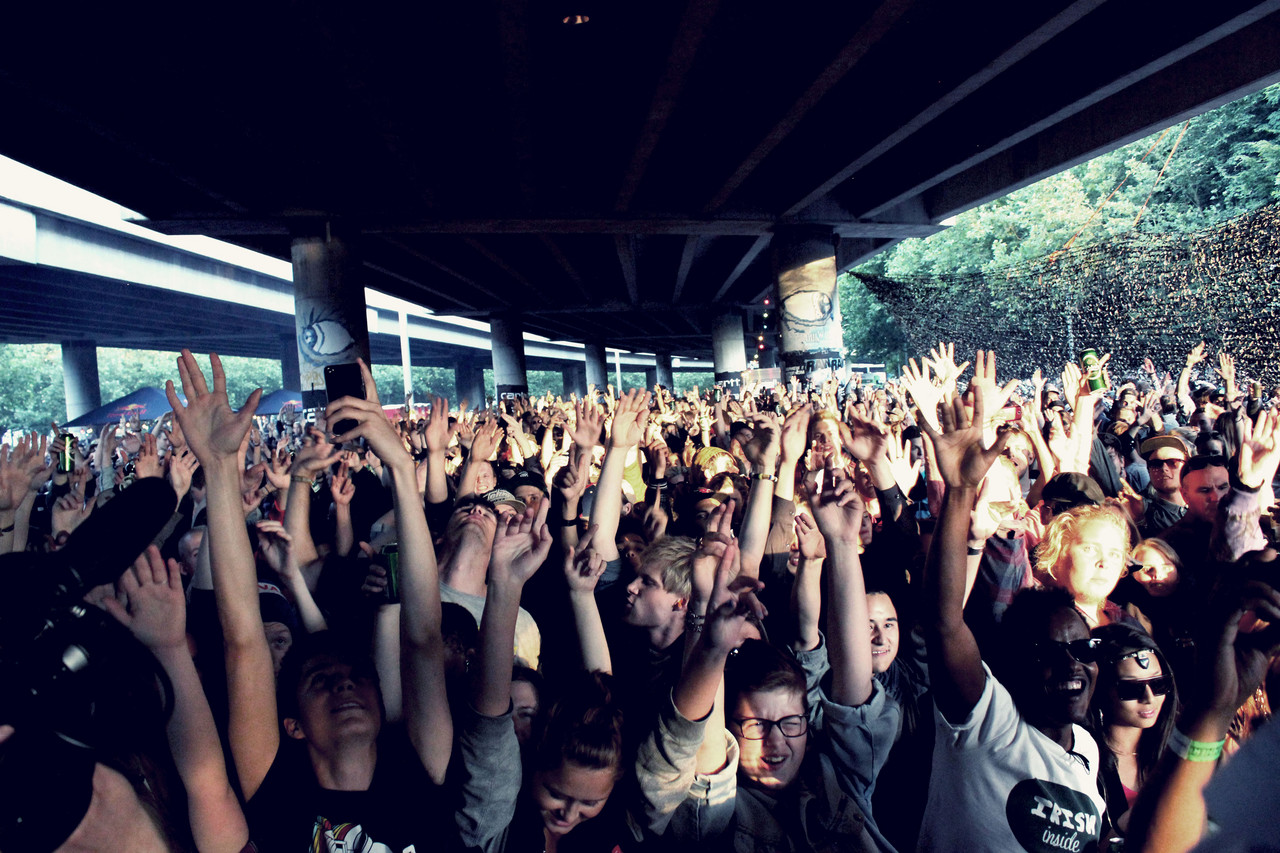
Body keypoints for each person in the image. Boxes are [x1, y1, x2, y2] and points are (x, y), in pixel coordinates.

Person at [167, 351, 458, 851]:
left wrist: (402, 466)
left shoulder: (417, 770)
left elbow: (424, 638)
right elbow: (244, 641)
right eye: (321, 681)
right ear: (292, 725)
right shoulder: (278, 795)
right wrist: (218, 468)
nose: (346, 684)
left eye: (357, 676)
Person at [917, 352, 1107, 852]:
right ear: (1018, 658)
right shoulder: (989, 723)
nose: (1072, 665)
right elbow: (944, 624)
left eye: (1082, 650)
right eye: (1048, 652)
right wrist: (959, 491)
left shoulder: (1086, 749)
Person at [1089, 624, 1177, 838]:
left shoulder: (1176, 749)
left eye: (1158, 684)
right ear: (1101, 690)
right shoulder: (1083, 757)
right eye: (1131, 688)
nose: (1149, 698)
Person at [1035, 503, 1133, 628]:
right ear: (1058, 552)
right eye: (1090, 549)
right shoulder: (1034, 620)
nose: (1104, 563)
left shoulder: (1127, 621)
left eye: (1114, 554)